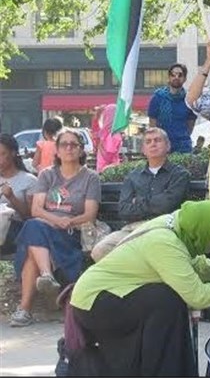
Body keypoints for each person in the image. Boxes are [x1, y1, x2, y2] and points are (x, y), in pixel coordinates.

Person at [68, 200, 210, 376]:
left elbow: (189, 261)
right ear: (203, 230)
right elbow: (198, 296)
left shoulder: (176, 223)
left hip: (111, 296)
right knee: (166, 300)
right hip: (95, 304)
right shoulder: (164, 241)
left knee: (167, 300)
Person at [10, 128, 101, 327]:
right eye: (64, 144)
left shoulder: (90, 178)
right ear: (57, 151)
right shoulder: (47, 175)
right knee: (35, 228)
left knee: (32, 237)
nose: (69, 148)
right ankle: (46, 276)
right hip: (46, 228)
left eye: (73, 144)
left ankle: (24, 309)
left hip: (70, 234)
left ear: (81, 150)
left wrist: (67, 222)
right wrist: (55, 220)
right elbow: (36, 209)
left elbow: (89, 214)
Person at [90, 127, 190, 262]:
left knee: (151, 249)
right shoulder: (133, 176)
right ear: (143, 149)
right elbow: (124, 211)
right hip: (132, 230)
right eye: (148, 142)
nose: (153, 144)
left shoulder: (179, 175)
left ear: (168, 146)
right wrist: (153, 202)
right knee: (100, 250)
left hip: (164, 228)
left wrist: (138, 202)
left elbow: (166, 206)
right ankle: (131, 281)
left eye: (157, 140)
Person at [0, 134, 38, 255]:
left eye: (2, 154)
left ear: (12, 153)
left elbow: (30, 216)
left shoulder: (29, 180)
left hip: (15, 230)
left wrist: (11, 197)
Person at [148, 63, 197, 153]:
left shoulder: (189, 98)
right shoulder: (158, 97)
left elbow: (191, 124)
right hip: (161, 146)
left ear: (185, 79)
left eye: (180, 75)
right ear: (169, 77)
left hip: (183, 147)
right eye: (173, 75)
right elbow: (152, 124)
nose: (176, 77)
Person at [95, 105, 123, 172]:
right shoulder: (113, 135)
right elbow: (109, 156)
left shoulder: (105, 133)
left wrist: (100, 146)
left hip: (102, 170)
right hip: (109, 172)